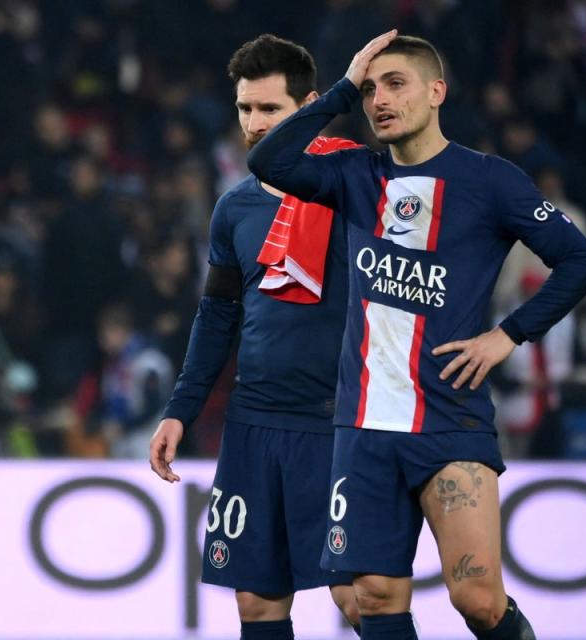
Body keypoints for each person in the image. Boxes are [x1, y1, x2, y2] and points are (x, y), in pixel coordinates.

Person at [248, 31, 586, 639]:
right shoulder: (352, 174)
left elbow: (581, 261)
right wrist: (341, 85)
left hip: (448, 418)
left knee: (478, 600)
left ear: (436, 91)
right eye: (368, 90)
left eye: (395, 84)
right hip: (362, 424)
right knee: (372, 596)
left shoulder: (489, 180)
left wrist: (507, 336)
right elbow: (268, 161)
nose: (378, 99)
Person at [150, 34, 368, 639]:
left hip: (336, 423)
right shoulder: (234, 210)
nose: (253, 123)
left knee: (360, 598)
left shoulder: (359, 191)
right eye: (245, 108)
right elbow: (217, 317)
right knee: (257, 604)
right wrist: (180, 411)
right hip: (253, 424)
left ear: (312, 106)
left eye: (270, 109)